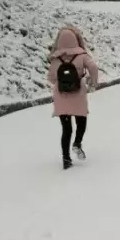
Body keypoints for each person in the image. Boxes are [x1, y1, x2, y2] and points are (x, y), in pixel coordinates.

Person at [47, 25, 99, 170]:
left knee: (66, 129)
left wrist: (61, 81)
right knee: (81, 122)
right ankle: (77, 143)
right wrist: (92, 82)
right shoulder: (82, 56)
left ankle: (66, 159)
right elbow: (94, 68)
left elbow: (51, 78)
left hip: (61, 98)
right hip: (78, 95)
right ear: (76, 40)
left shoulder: (56, 59)